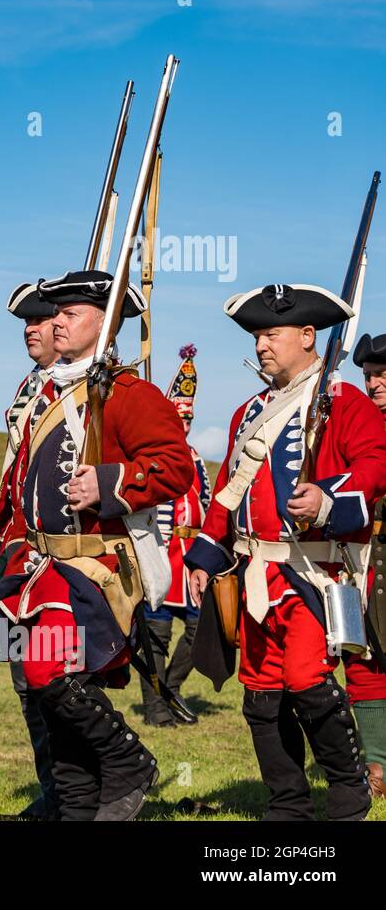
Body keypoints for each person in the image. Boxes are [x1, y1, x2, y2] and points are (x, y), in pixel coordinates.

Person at [0, 270, 194, 820]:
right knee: (40, 689)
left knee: (50, 675)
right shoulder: (43, 391)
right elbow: (17, 480)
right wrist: (3, 546)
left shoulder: (130, 392)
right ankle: (75, 802)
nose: (56, 321)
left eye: (70, 313)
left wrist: (111, 483)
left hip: (91, 563)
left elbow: (175, 467)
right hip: (35, 563)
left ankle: (128, 762)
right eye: (54, 313)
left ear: (105, 325)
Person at [186, 285, 386, 820]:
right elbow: (228, 490)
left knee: (307, 681)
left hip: (312, 573)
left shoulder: (347, 403)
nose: (262, 343)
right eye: (257, 335)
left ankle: (347, 793)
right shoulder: (248, 412)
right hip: (254, 574)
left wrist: (327, 497)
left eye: (271, 333)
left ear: (307, 335)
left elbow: (375, 464)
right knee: (262, 694)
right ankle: (288, 804)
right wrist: (206, 559)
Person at [0, 281, 59, 820]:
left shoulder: (85, 390)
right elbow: (13, 475)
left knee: (57, 680)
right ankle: (56, 791)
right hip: (14, 555)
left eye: (41, 320)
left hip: (60, 557)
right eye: (25, 324)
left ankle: (81, 789)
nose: (30, 330)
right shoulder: (28, 387)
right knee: (22, 680)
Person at [140, 344, 209, 727]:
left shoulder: (197, 457)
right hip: (161, 556)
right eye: (178, 418)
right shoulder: (150, 454)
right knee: (156, 637)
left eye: (188, 418)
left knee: (200, 632)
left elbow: (209, 501)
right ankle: (155, 710)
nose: (183, 425)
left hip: (191, 559)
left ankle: (171, 689)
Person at [348, 331, 386, 799]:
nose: (374, 384)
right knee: (367, 661)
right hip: (363, 558)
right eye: (369, 376)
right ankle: (377, 766)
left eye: (381, 375)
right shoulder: (354, 426)